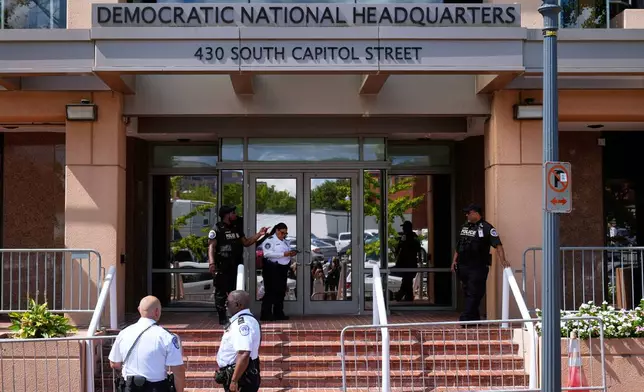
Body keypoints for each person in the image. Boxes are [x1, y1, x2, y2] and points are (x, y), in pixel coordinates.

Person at [109, 296, 185, 392]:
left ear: (139, 310)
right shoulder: (166, 336)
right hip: (157, 388)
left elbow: (114, 364)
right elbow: (178, 370)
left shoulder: (124, 333)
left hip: (129, 387)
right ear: (157, 312)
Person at [208, 205, 268, 325]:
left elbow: (246, 242)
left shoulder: (237, 228)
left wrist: (259, 234)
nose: (235, 215)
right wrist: (211, 263)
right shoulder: (217, 229)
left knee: (235, 292)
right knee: (221, 293)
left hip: (235, 265)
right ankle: (222, 318)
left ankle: (235, 316)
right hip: (222, 265)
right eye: (233, 213)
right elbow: (211, 247)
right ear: (226, 215)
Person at [451, 203, 510, 325]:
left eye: (469, 212)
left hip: (477, 266)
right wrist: (454, 261)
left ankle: (465, 318)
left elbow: (498, 245)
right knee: (468, 292)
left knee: (474, 291)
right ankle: (474, 319)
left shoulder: (487, 228)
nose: (466, 215)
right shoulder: (465, 227)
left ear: (476, 213)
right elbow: (458, 246)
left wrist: (503, 260)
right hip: (463, 265)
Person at [215, 290, 262, 392]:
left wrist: (234, 380)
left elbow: (244, 353)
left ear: (238, 305)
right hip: (238, 374)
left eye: (228, 303)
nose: (225, 305)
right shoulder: (240, 320)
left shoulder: (242, 324)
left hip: (242, 377)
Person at [259, 222, 297, 321]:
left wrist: (290, 253)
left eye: (285, 233)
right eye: (282, 233)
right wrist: (283, 254)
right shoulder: (270, 240)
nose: (283, 235)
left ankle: (278, 312)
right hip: (272, 268)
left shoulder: (285, 241)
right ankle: (266, 314)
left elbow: (285, 253)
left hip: (282, 268)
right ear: (277, 231)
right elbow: (267, 254)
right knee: (270, 291)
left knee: (280, 291)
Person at [393, 221, 422, 302]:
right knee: (407, 281)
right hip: (411, 263)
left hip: (406, 263)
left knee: (407, 281)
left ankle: (401, 295)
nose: (403, 229)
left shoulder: (406, 238)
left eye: (404, 227)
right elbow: (418, 251)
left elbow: (399, 248)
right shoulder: (414, 238)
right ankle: (407, 297)